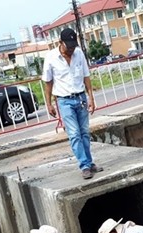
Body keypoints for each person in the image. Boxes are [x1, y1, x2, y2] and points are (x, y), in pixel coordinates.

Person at [42, 28, 103, 180]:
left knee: (84, 133)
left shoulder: (79, 53)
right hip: (64, 100)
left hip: (80, 98)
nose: (71, 49)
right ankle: (84, 166)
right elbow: (48, 83)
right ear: (60, 43)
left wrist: (91, 98)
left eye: (73, 46)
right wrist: (48, 104)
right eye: (68, 46)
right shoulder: (51, 57)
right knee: (74, 134)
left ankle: (89, 163)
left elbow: (86, 76)